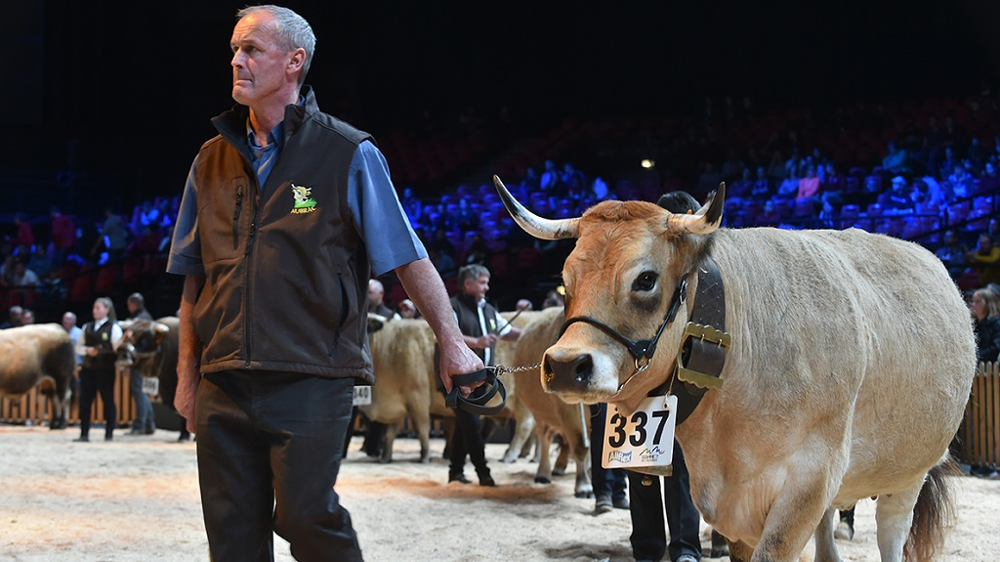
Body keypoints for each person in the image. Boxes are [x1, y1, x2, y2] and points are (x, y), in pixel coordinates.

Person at [165, 6, 482, 560]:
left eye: (252, 50)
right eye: (234, 51)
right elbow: (194, 280)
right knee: (231, 538)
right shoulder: (208, 160)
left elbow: (407, 257)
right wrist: (187, 375)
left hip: (312, 375)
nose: (237, 61)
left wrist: (452, 342)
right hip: (221, 380)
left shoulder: (348, 152)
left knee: (306, 516)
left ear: (294, 62)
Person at [447, 264, 521, 486]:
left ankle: (455, 472)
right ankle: (483, 472)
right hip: (459, 378)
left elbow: (508, 333)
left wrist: (532, 334)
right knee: (472, 426)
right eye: (482, 282)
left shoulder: (489, 309)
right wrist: (477, 342)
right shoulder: (453, 306)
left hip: (482, 377)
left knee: (465, 425)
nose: (487, 287)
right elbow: (447, 336)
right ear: (467, 284)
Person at [74, 297, 123, 442]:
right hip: (88, 369)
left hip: (105, 369)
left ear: (107, 310)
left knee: (107, 400)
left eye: (98, 308)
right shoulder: (87, 327)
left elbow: (117, 348)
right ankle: (84, 434)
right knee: (85, 401)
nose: (95, 310)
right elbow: (78, 347)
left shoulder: (114, 327)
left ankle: (109, 434)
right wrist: (87, 351)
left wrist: (101, 352)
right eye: (94, 308)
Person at [125, 293, 156, 436]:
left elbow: (141, 342)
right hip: (148, 360)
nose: (128, 307)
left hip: (140, 360)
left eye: (129, 305)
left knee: (139, 391)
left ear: (134, 304)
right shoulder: (146, 317)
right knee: (143, 392)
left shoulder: (140, 320)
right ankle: (149, 424)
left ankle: (140, 425)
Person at [971, 287, 1000, 363]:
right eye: (973, 301)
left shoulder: (996, 323)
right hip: (977, 366)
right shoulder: (974, 324)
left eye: (978, 301)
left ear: (987, 303)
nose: (973, 304)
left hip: (992, 369)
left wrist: (977, 356)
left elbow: (996, 347)